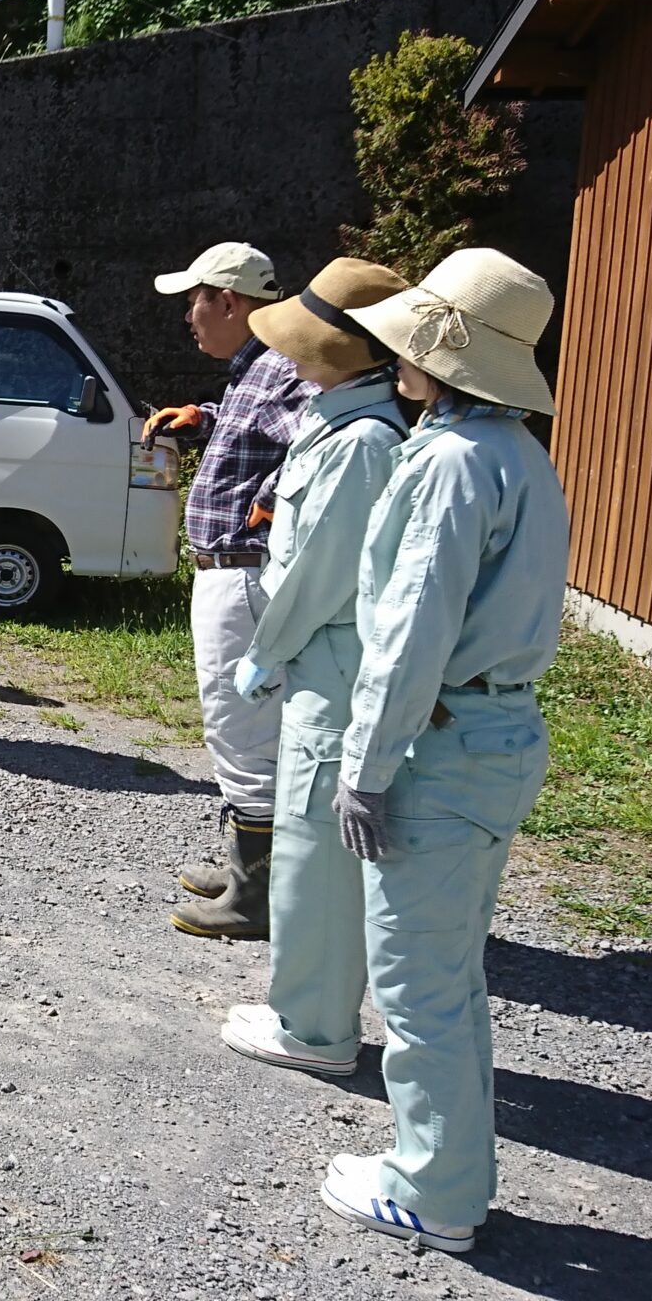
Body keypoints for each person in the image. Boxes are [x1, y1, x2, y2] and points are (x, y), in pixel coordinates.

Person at [312, 249, 566, 1253]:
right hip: (492, 734)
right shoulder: (512, 452)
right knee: (449, 972)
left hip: (443, 742)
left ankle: (436, 1191)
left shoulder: (455, 461)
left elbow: (413, 630)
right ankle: (443, 1166)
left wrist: (364, 769)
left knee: (417, 982)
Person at [203, 259, 411, 1081]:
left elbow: (315, 572)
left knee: (317, 848)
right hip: (319, 662)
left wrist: (266, 651)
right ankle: (304, 1002)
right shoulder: (345, 419)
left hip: (328, 658)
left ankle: (315, 1026)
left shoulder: (364, 439)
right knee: (304, 839)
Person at [146, 241, 313, 941]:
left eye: (197, 300)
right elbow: (266, 431)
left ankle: (255, 893)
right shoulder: (255, 371)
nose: (189, 315)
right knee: (240, 724)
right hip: (229, 571)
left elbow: (320, 436)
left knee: (240, 728)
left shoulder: (280, 371)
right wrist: (206, 419)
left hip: (242, 573)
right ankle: (247, 864)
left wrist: (277, 497)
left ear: (233, 303)